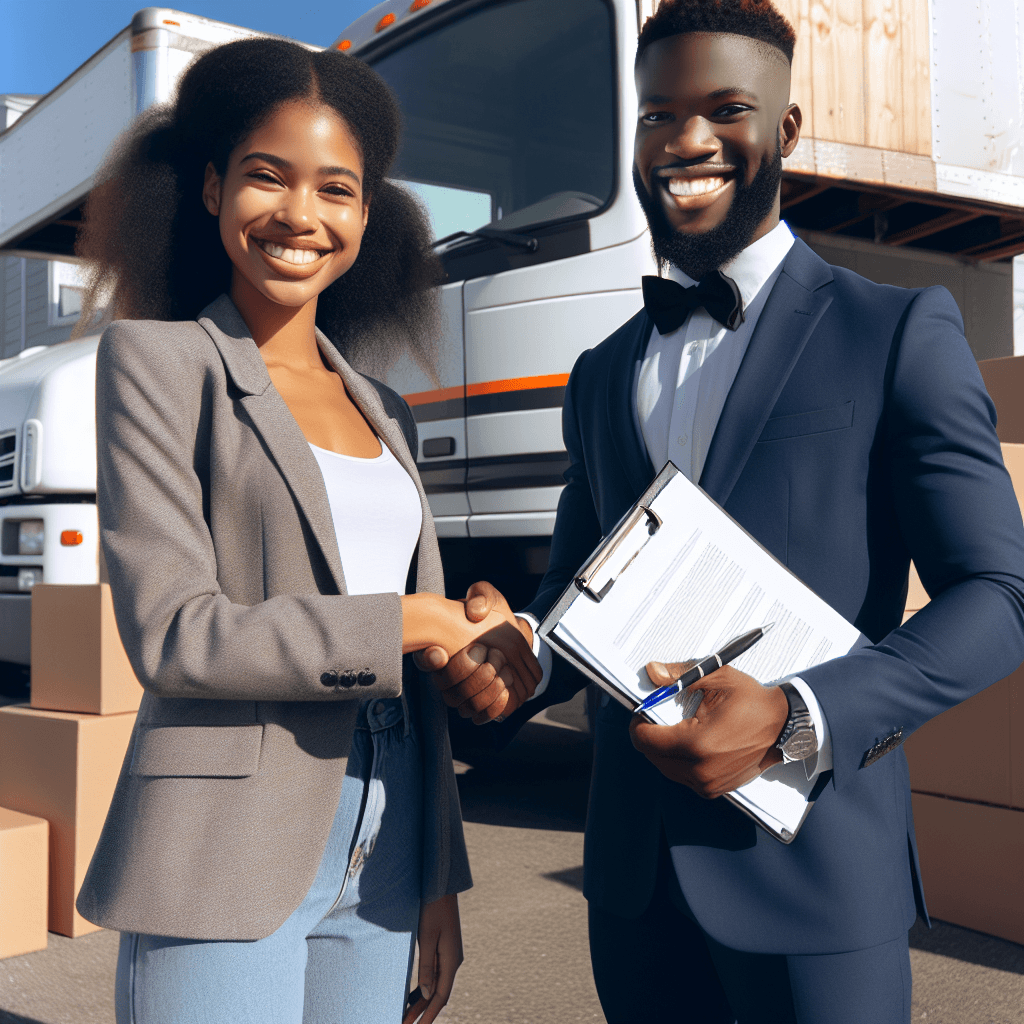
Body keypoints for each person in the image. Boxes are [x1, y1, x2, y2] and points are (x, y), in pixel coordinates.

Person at [427, 1, 1024, 1021]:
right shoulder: (601, 371)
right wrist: (522, 647)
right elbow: (577, 582)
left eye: (724, 110)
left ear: (784, 131)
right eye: (658, 114)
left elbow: (1000, 597)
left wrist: (799, 715)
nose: (686, 141)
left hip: (813, 869)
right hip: (630, 876)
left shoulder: (894, 328)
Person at [73, 37, 540, 1024]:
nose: (299, 214)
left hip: (388, 840)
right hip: (223, 846)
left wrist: (437, 874)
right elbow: (177, 633)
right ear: (210, 188)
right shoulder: (157, 365)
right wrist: (413, 618)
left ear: (369, 215)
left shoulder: (384, 408)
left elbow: (417, 680)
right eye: (265, 177)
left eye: (336, 189)